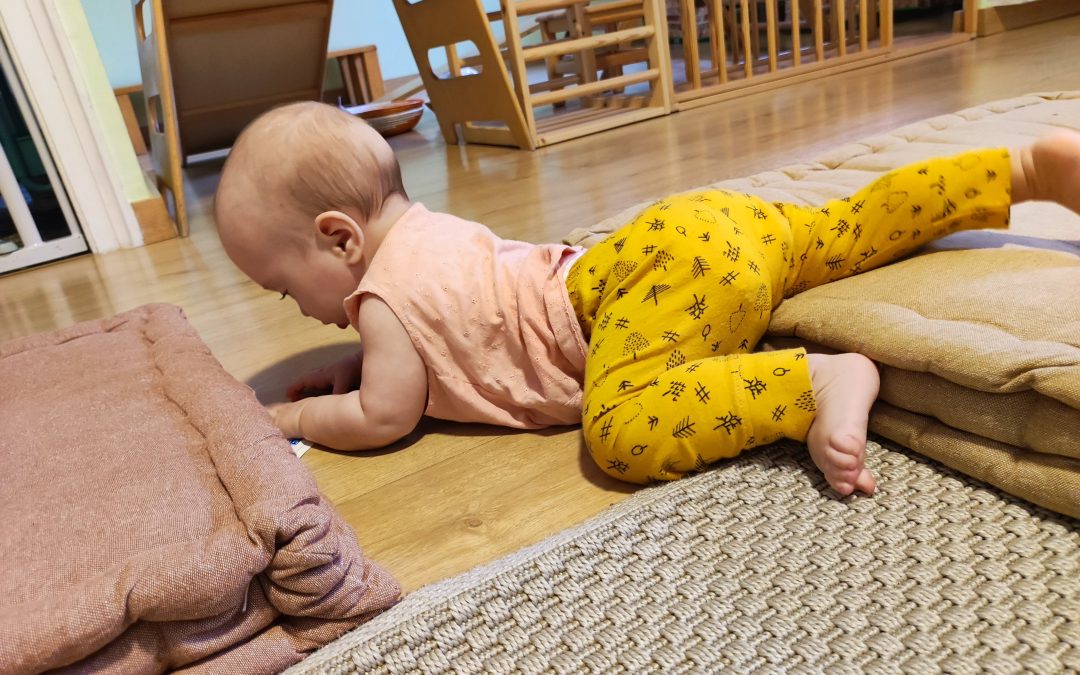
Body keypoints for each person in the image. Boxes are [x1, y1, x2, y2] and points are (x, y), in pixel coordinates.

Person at [214, 101, 1080, 497]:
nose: (298, 309)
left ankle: (810, 385)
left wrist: (292, 423)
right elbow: (421, 339)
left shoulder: (378, 296)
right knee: (845, 228)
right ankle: (1016, 172)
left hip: (644, 291)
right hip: (690, 230)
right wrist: (353, 357)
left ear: (338, 239)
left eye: (285, 288)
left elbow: (382, 413)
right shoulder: (428, 235)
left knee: (620, 431)